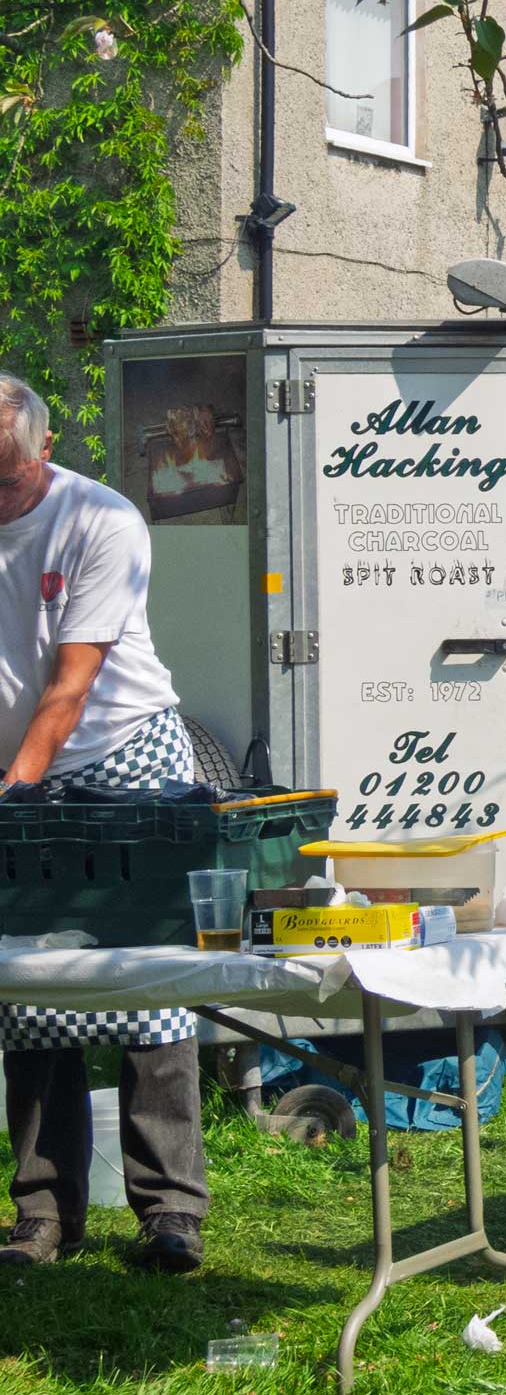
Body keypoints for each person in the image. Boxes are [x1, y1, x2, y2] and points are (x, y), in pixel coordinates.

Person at [0, 374, 207, 1272]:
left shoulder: (104, 522)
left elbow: (71, 687)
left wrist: (13, 795)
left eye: (5, 476)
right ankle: (45, 1215)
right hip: (18, 766)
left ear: (43, 450)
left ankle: (169, 1213)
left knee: (147, 984)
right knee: (31, 994)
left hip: (126, 760)